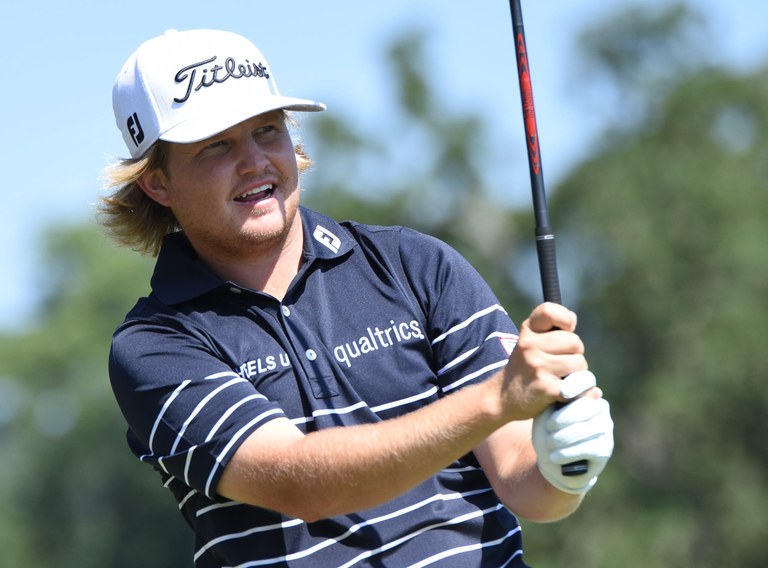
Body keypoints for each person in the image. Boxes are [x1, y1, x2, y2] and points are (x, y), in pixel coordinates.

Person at [99, 28, 614, 567]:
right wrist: (495, 400)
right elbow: (301, 484)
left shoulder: (414, 264)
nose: (255, 161)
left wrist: (564, 467)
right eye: (217, 145)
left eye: (267, 131)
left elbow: (523, 481)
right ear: (158, 183)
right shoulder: (155, 346)